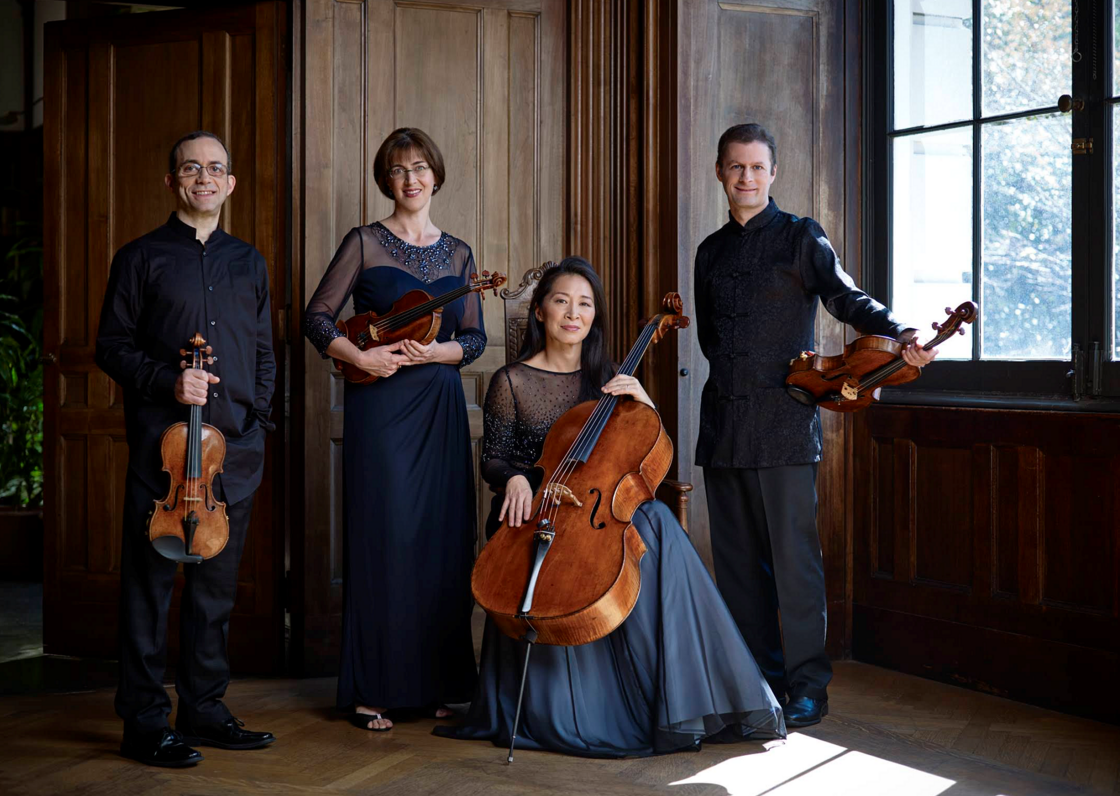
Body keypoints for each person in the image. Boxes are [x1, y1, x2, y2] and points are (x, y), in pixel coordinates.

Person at [438, 257, 785, 757]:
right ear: (540, 311)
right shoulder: (511, 381)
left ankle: (686, 697)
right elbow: (495, 456)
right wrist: (516, 479)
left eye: (585, 304)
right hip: (537, 508)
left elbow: (638, 455)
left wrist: (644, 402)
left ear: (594, 316)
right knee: (649, 529)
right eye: (561, 301)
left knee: (658, 522)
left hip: (595, 514)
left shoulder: (606, 380)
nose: (572, 313)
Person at [694, 123, 938, 728]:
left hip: (784, 423)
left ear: (773, 174)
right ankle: (757, 682)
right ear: (719, 173)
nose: (746, 177)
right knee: (738, 567)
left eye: (757, 167)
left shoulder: (802, 237)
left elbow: (846, 296)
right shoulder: (709, 251)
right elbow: (710, 339)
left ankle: (808, 688)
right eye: (736, 167)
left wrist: (899, 332)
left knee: (795, 564)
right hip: (723, 424)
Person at [96, 130, 277, 767]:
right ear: (174, 181)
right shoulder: (139, 257)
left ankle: (202, 708)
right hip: (165, 457)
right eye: (192, 167)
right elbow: (111, 347)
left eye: (217, 168)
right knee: (148, 590)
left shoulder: (248, 261)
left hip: (234, 454)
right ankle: (144, 721)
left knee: (214, 591)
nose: (205, 177)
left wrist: (257, 420)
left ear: (230, 184)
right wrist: (167, 381)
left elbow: (262, 351)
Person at [304, 127, 484, 731]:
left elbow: (476, 339)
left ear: (436, 174)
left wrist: (440, 355)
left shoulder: (459, 253)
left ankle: (433, 684)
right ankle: (373, 689)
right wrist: (361, 359)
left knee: (438, 539)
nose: (410, 179)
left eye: (420, 167)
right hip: (379, 405)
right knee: (386, 534)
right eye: (398, 170)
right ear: (387, 180)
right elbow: (317, 316)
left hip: (438, 404)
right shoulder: (364, 242)